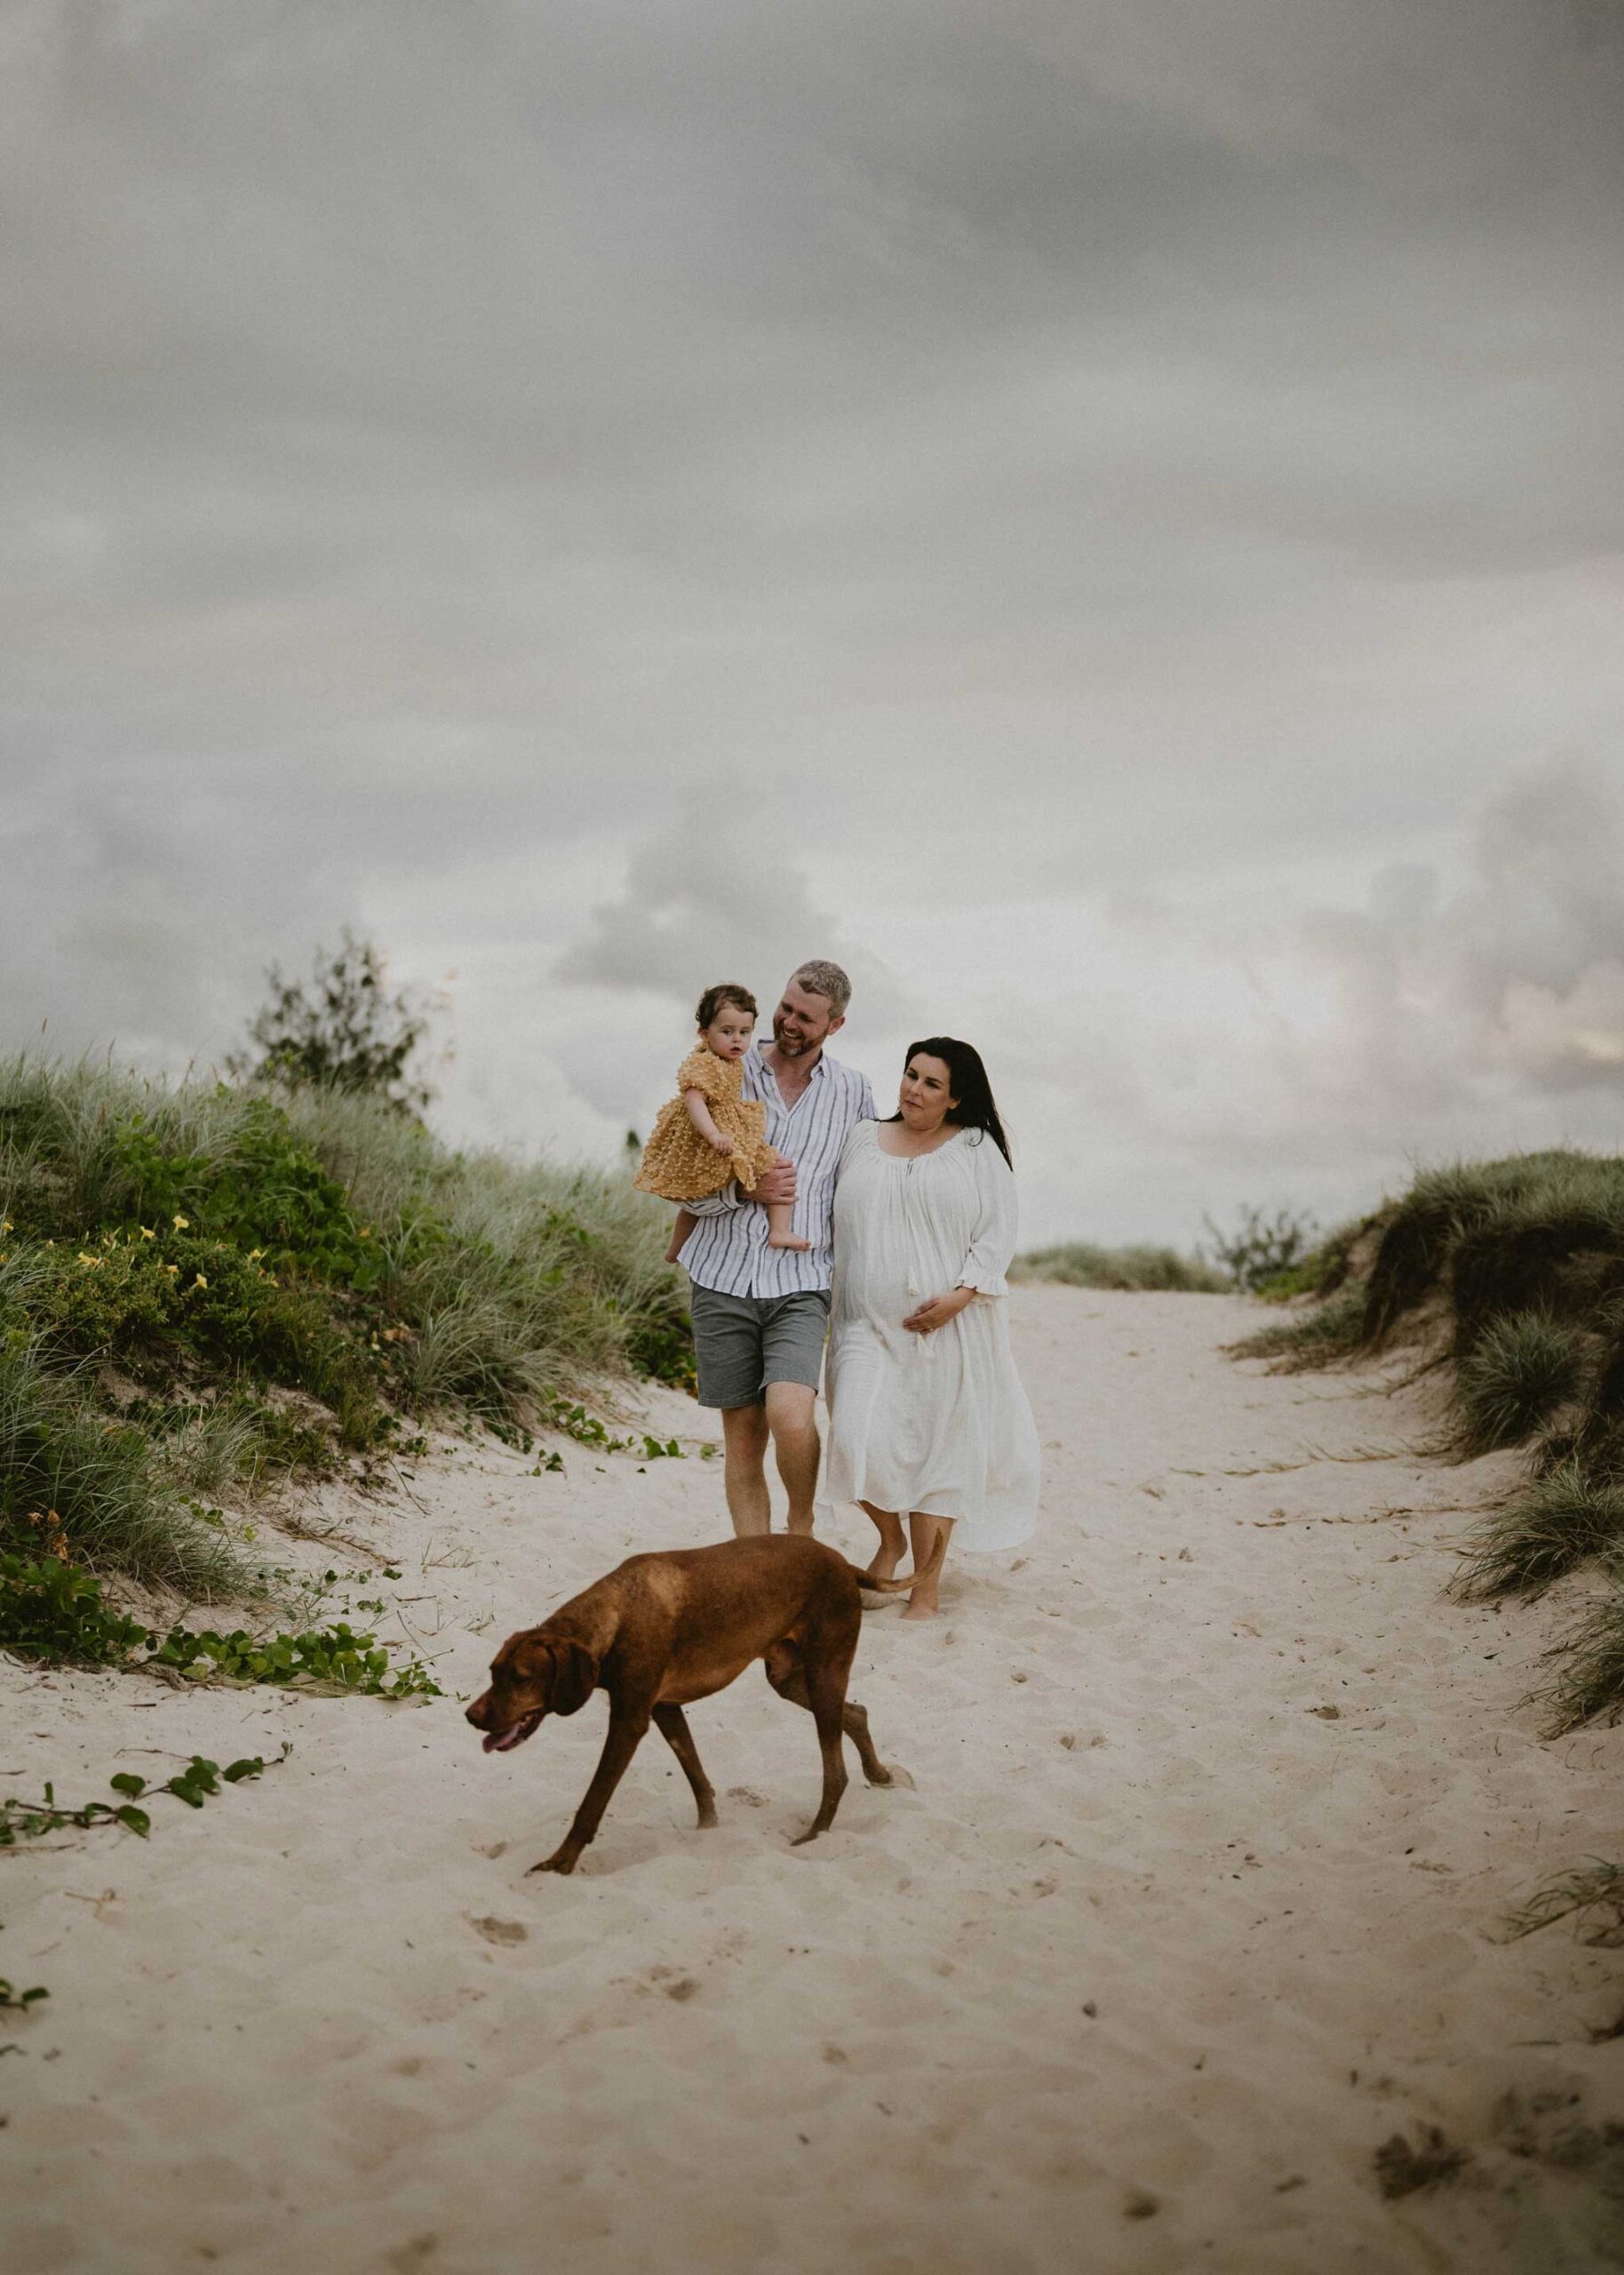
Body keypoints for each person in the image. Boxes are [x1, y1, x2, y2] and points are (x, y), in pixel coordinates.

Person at [821, 1036, 1040, 1619]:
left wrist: (961, 1297)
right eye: (910, 1075)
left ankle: (926, 1586)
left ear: (955, 1097)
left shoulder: (975, 1148)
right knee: (853, 1437)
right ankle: (890, 1539)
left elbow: (998, 1235)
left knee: (938, 1457)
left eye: (931, 1083)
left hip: (944, 1329)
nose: (913, 1090)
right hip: (863, 1325)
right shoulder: (861, 1139)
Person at [678, 961, 876, 1538]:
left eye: (805, 1017)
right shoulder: (724, 1071)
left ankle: (801, 1529)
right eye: (785, 1007)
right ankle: (758, 1566)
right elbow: (682, 1177)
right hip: (721, 1277)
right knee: (742, 1437)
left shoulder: (854, 1091)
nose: (788, 1022)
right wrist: (740, 1190)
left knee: (791, 1417)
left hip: (802, 1281)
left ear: (834, 1025)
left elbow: (866, 1189)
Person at [634, 984, 809, 1262]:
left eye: (745, 1032)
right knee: (768, 1166)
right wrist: (714, 1135)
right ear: (705, 1033)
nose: (737, 1040)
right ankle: (679, 1248)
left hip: (725, 1126)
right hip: (704, 1132)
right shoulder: (705, 1062)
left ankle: (777, 1230)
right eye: (727, 1032)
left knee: (771, 1167)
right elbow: (694, 1100)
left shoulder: (731, 1059)